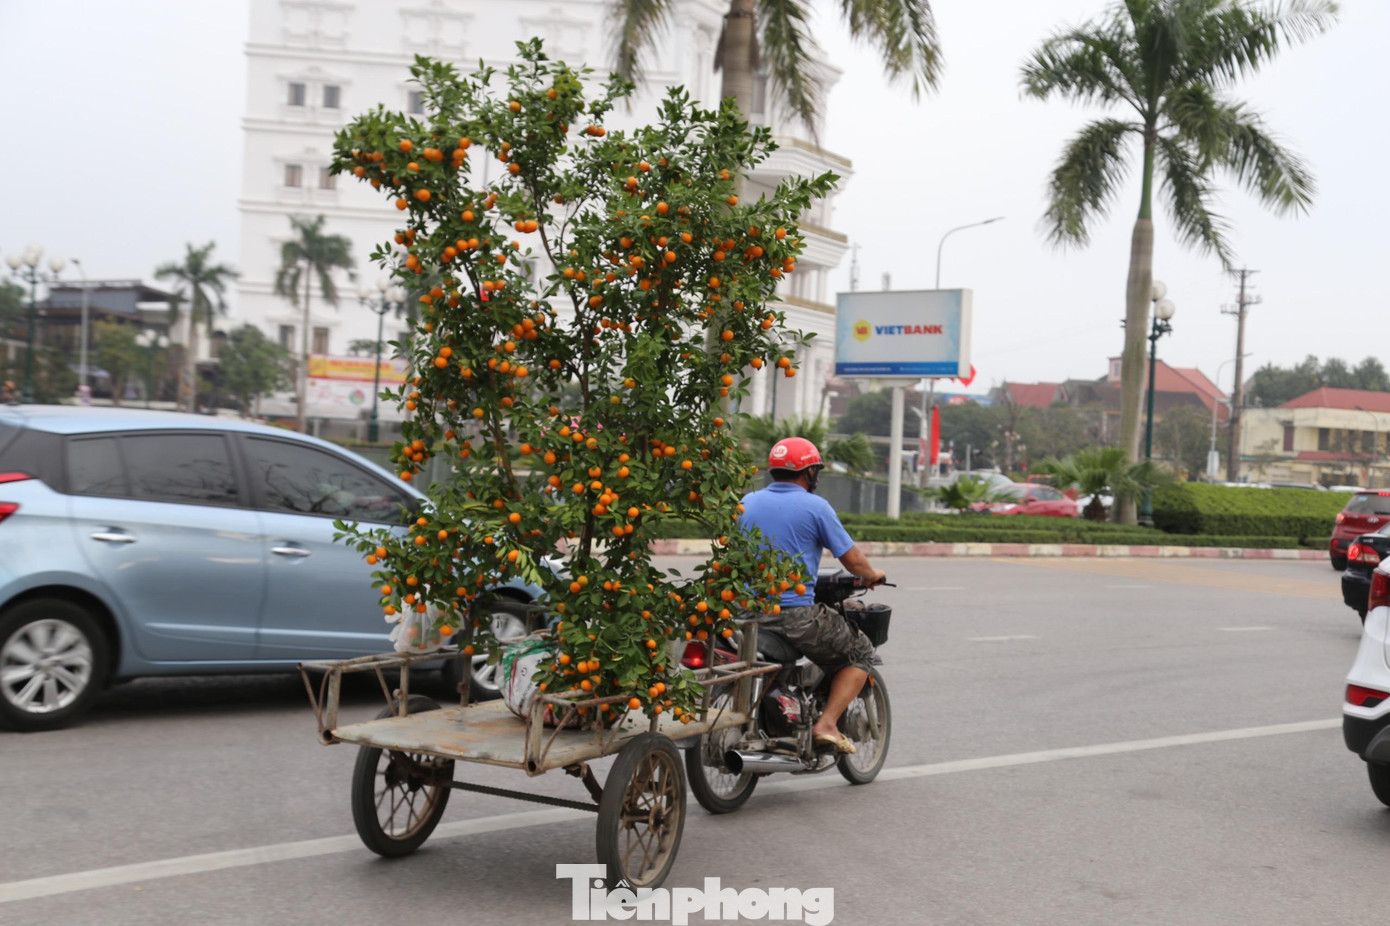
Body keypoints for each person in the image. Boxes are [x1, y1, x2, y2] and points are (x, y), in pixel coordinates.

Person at [738, 436, 886, 754]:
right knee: (861, 652)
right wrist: (872, 575)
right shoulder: (815, 506)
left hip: (742, 612)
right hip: (794, 616)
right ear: (809, 473)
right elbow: (851, 558)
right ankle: (828, 723)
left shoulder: (746, 502)